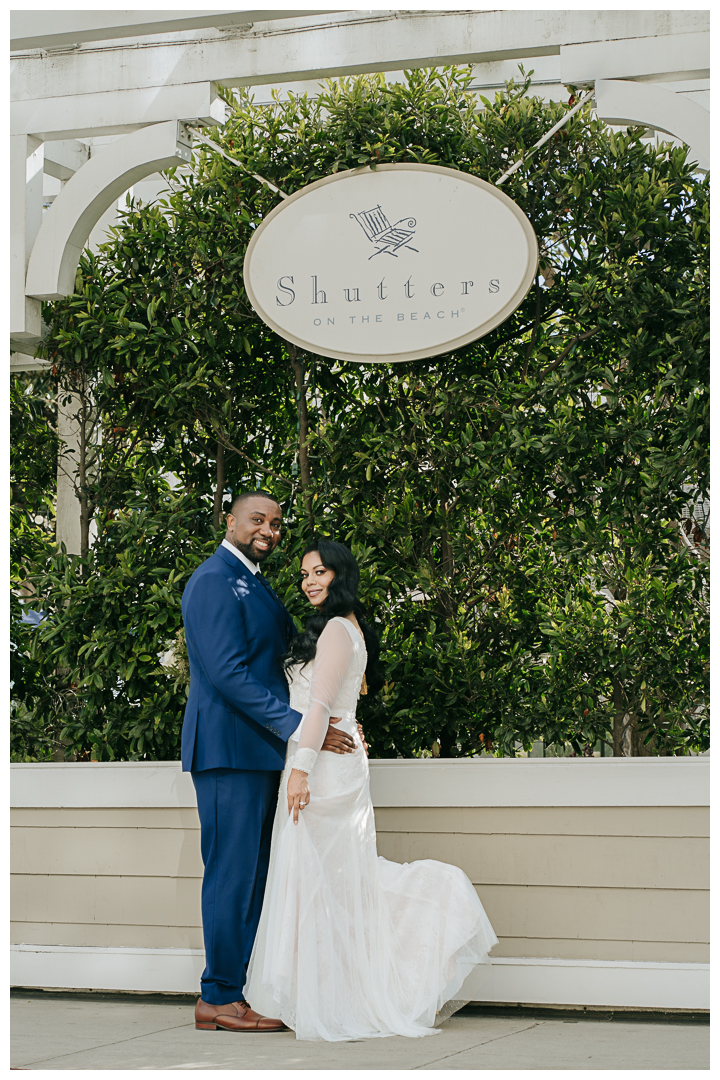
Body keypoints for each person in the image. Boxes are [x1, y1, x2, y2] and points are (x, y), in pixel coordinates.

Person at [244, 537, 498, 1041]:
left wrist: (300, 769)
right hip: (334, 759)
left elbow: (318, 709)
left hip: (323, 769)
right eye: (304, 574)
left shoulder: (338, 629)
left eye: (319, 572)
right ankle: (317, 992)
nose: (310, 581)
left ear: (340, 574)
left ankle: (327, 994)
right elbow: (338, 704)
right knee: (330, 881)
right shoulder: (344, 627)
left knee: (322, 879)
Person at [181, 492, 362, 1033]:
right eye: (257, 519)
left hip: (261, 751)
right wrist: (300, 728)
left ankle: (246, 988)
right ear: (229, 521)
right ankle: (218, 996)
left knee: (258, 875)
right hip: (228, 750)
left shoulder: (252, 581)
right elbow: (227, 673)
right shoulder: (214, 580)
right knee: (232, 875)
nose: (268, 530)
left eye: (276, 523)